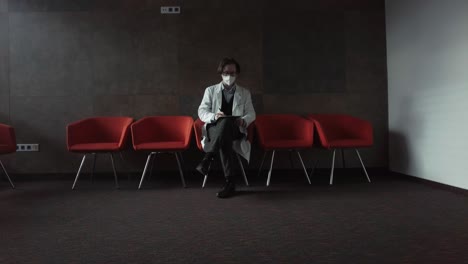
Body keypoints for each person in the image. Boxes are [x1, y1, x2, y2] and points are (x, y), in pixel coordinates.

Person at [196, 57, 256, 198]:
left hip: (236, 129)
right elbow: (202, 111)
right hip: (214, 128)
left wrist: (244, 120)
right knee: (224, 130)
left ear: (237, 74)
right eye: (226, 72)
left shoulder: (244, 92)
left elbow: (251, 113)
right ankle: (230, 183)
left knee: (227, 125)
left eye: (233, 73)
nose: (229, 76)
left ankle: (208, 158)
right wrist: (214, 116)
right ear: (221, 73)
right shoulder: (210, 91)